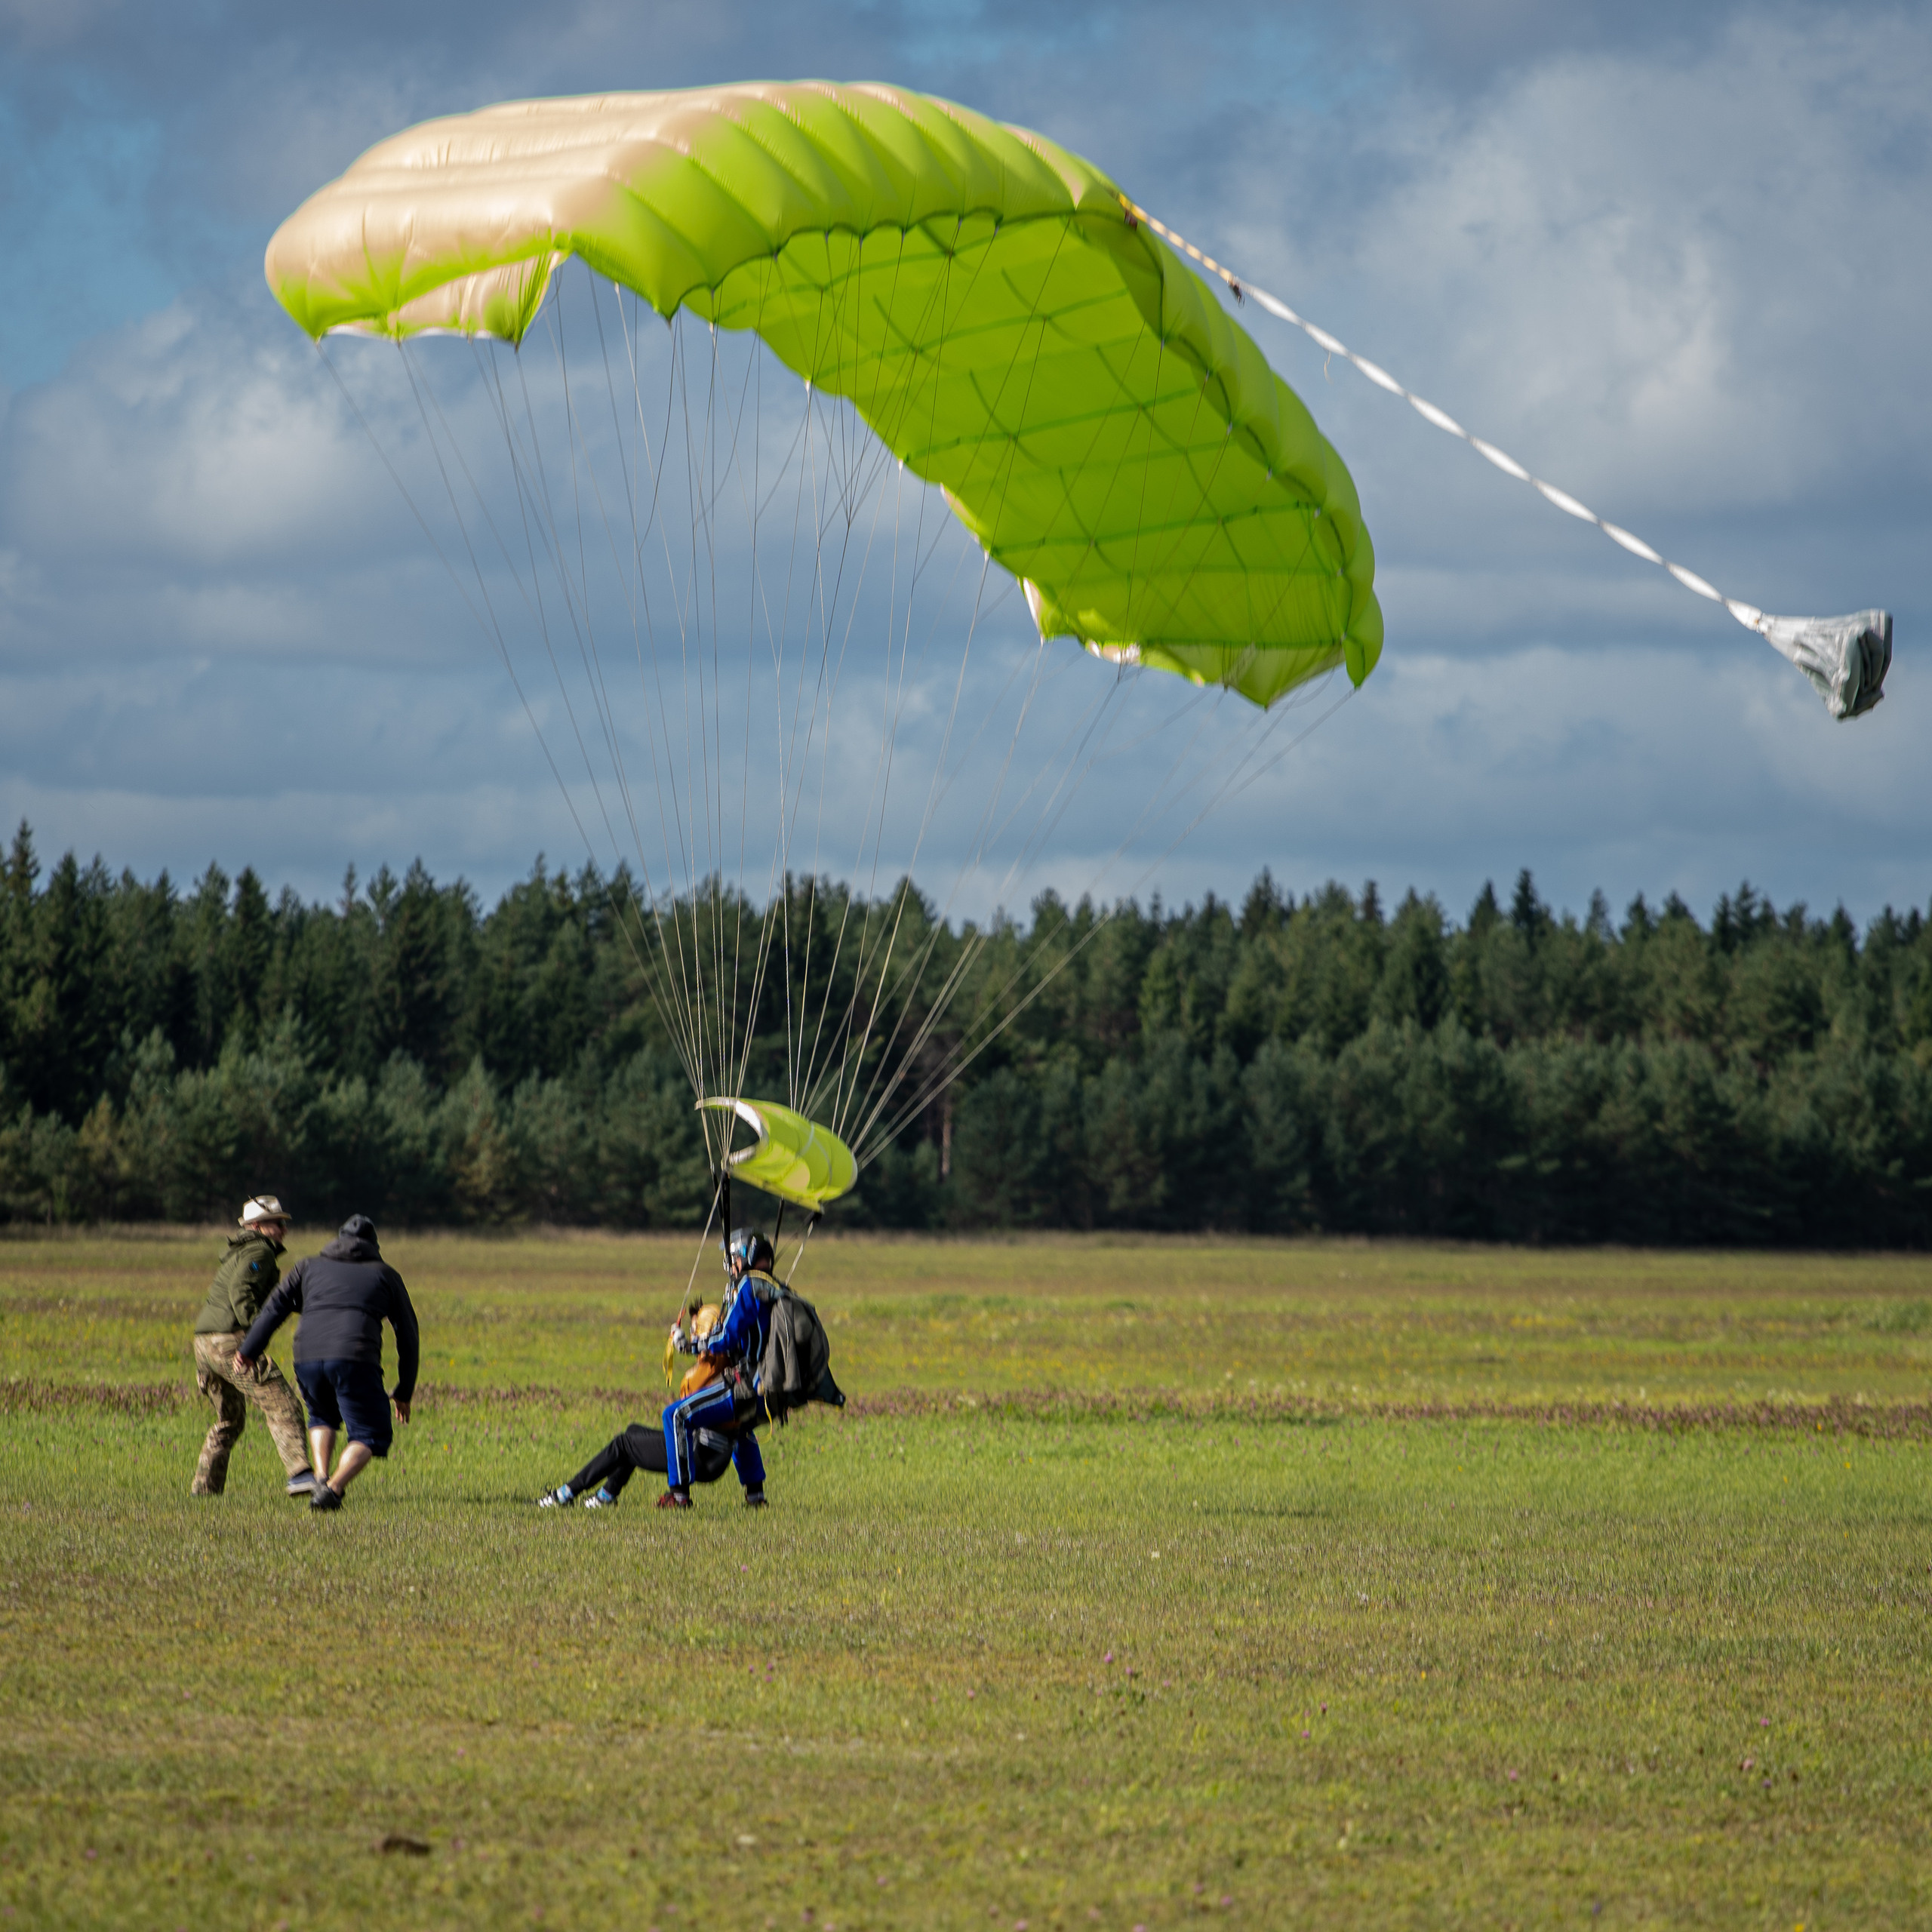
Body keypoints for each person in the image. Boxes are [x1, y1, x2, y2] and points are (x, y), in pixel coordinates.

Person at [535, 1226, 774, 1512]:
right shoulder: (737, 1370)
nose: (696, 1335)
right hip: (711, 1457)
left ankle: (565, 1494)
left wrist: (691, 1345)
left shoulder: (713, 1368)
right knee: (634, 1431)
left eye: (697, 1330)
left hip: (699, 1457)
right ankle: (604, 1497)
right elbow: (745, 1434)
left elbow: (706, 1366)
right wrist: (755, 1491)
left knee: (631, 1440)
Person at [237, 1213, 418, 1513]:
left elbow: (274, 1308)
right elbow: (408, 1336)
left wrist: (248, 1350)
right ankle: (333, 1489)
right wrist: (404, 1390)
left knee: (321, 1415)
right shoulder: (386, 1275)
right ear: (374, 1246)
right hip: (354, 1357)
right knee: (370, 1433)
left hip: (306, 1356)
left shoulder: (307, 1266)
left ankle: (321, 1478)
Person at [189, 1195, 319, 1498]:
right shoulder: (260, 1251)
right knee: (283, 1403)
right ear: (257, 1226)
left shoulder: (241, 1251)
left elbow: (269, 1298)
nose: (284, 1230)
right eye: (276, 1224)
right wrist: (256, 1336)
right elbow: (241, 1293)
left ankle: (204, 1492)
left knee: (229, 1421)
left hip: (204, 1344)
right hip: (228, 1341)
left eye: (283, 1224)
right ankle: (300, 1474)